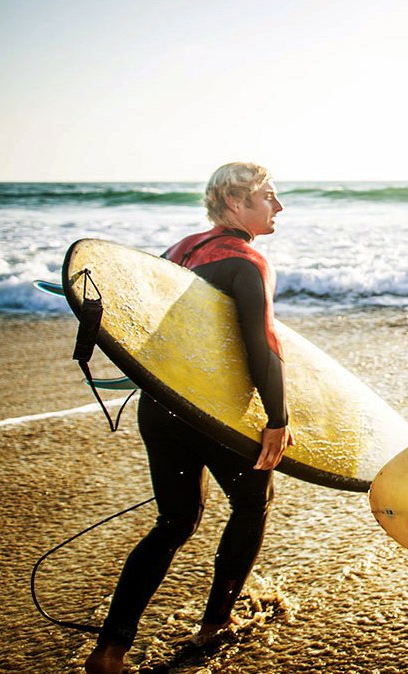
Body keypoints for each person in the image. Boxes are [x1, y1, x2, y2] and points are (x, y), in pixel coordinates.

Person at [85, 162, 294, 674]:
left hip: (161, 407)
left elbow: (137, 320)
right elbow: (261, 344)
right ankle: (215, 623)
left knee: (174, 521)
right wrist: (278, 417)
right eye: (268, 196)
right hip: (212, 412)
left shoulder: (178, 251)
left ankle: (110, 650)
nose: (279, 206)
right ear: (236, 203)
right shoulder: (247, 262)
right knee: (252, 503)